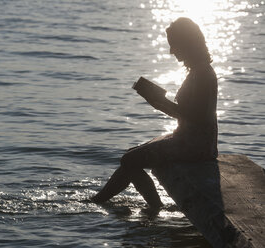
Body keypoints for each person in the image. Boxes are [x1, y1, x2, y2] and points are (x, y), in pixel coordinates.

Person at [91, 17, 218, 211]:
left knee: (129, 161)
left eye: (174, 45)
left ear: (187, 43)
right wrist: (157, 102)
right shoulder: (197, 71)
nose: (171, 51)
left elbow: (196, 117)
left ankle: (155, 207)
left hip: (196, 145)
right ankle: (99, 199)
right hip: (191, 139)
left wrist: (162, 102)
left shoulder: (201, 74)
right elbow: (187, 114)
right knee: (130, 156)